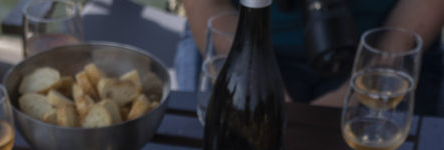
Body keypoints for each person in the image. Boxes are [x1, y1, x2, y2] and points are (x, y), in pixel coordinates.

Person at [176, 0, 444, 115]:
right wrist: (265, 91)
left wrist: (369, 80)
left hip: (386, 42)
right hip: (237, 38)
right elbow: (206, 4)